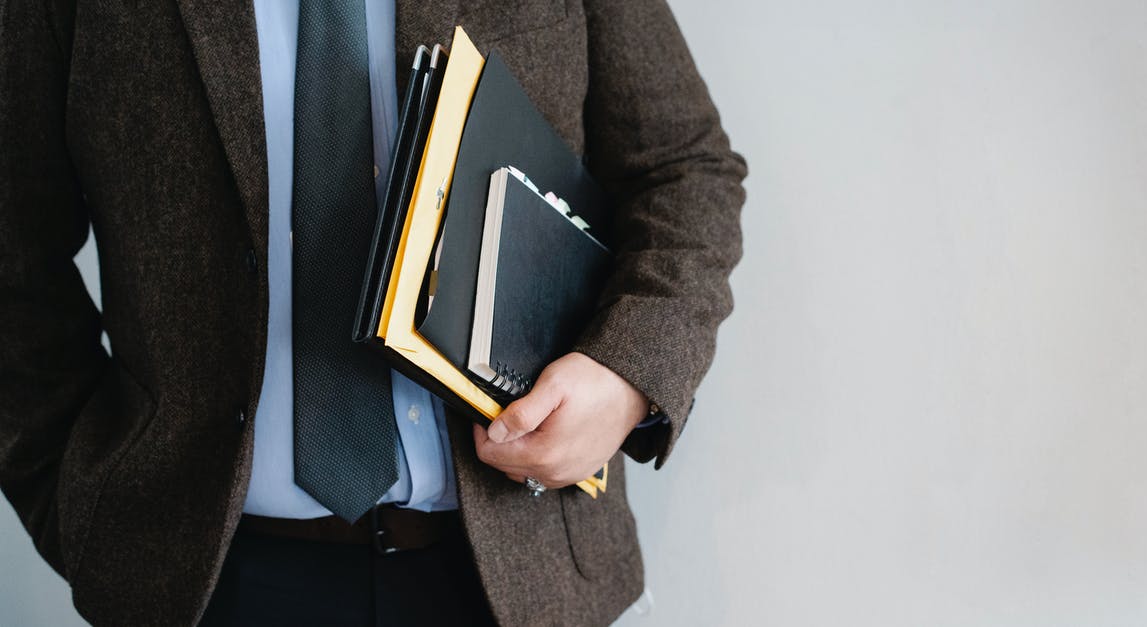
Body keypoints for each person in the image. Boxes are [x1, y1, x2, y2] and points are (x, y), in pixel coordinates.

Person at [0, 1, 746, 625]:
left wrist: (628, 373)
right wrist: (84, 516)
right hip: (204, 580)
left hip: (524, 567)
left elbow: (682, 167)